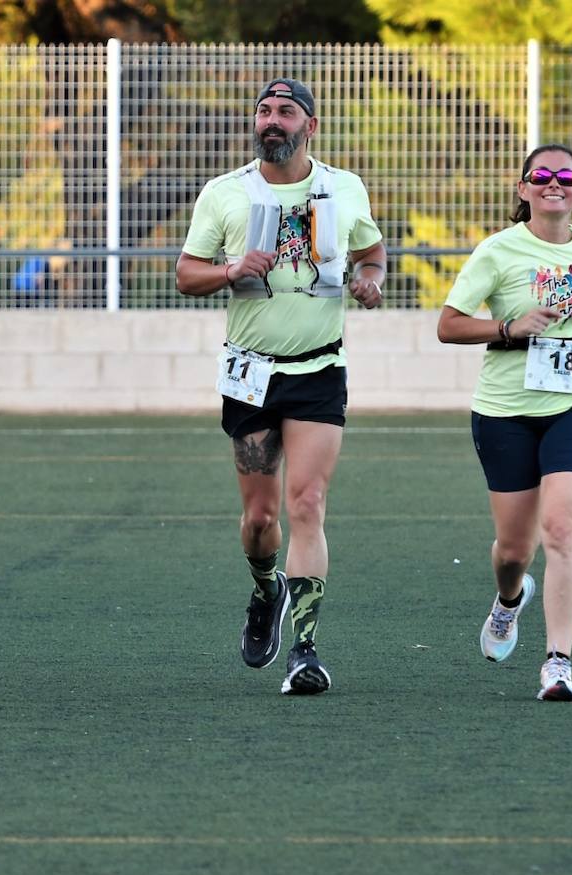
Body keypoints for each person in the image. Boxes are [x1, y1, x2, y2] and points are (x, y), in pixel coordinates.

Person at [176, 78, 386, 695]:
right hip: (250, 374)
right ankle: (265, 586)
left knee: (307, 504)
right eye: (264, 111)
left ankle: (306, 649)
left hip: (319, 370)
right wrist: (231, 268)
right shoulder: (225, 193)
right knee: (261, 518)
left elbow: (371, 250)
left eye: (286, 112)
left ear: (309, 126)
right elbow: (187, 276)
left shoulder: (343, 189)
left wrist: (370, 280)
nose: (272, 121)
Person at [437, 143, 572, 702]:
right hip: (505, 411)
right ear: (522, 189)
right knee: (514, 551)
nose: (555, 183)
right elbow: (448, 326)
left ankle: (557, 663)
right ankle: (507, 600)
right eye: (541, 175)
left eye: (566, 176)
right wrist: (509, 327)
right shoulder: (497, 251)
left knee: (563, 530)